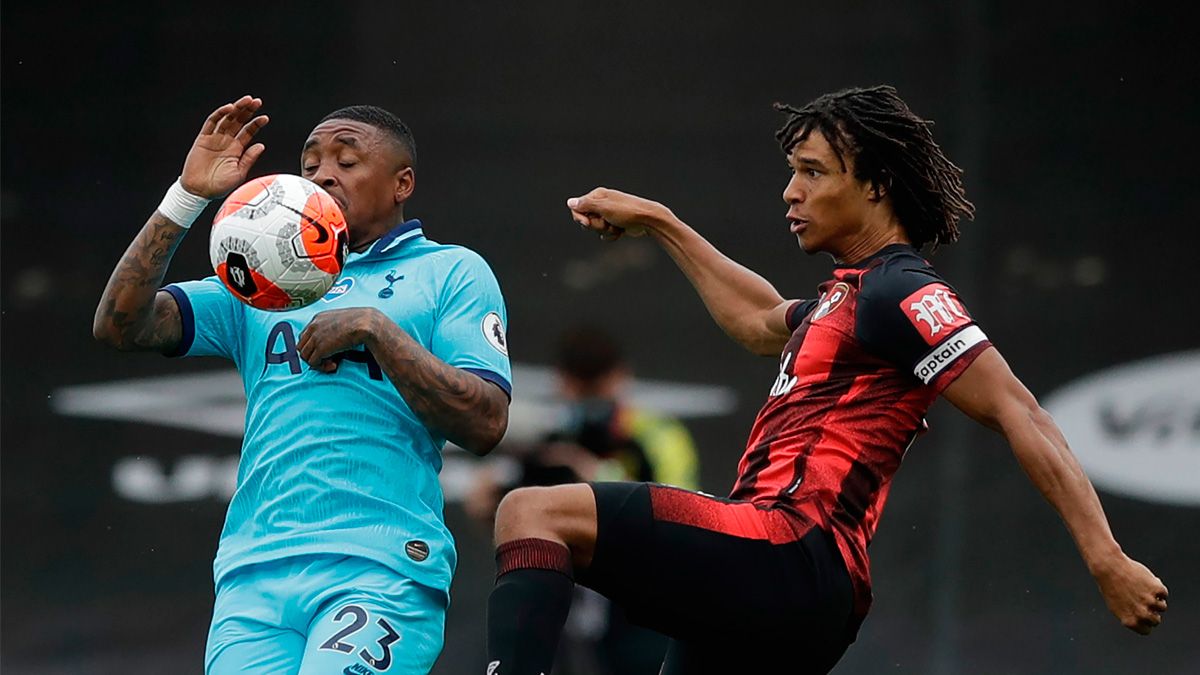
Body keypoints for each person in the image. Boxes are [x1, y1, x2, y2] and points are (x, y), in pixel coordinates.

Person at [483, 86, 1168, 675]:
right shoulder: (846, 298)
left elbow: (1021, 411)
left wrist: (1105, 555)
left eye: (812, 171)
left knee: (533, 511)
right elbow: (755, 318)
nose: (791, 190)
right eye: (793, 171)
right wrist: (663, 223)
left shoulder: (899, 289)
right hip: (797, 591)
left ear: (873, 184)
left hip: (790, 549)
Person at [92, 95, 512, 675]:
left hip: (379, 565)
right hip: (252, 574)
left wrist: (376, 330)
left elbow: (487, 422)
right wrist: (186, 198)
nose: (321, 174)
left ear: (401, 183)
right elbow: (119, 326)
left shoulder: (449, 272)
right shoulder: (262, 281)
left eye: (346, 159)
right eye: (310, 161)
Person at [467, 325, 699, 675]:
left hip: (639, 598)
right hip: (573, 597)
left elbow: (679, 508)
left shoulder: (656, 435)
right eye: (579, 386)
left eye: (597, 385)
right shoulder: (552, 442)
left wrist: (595, 476)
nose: (588, 399)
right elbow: (487, 506)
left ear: (621, 377)